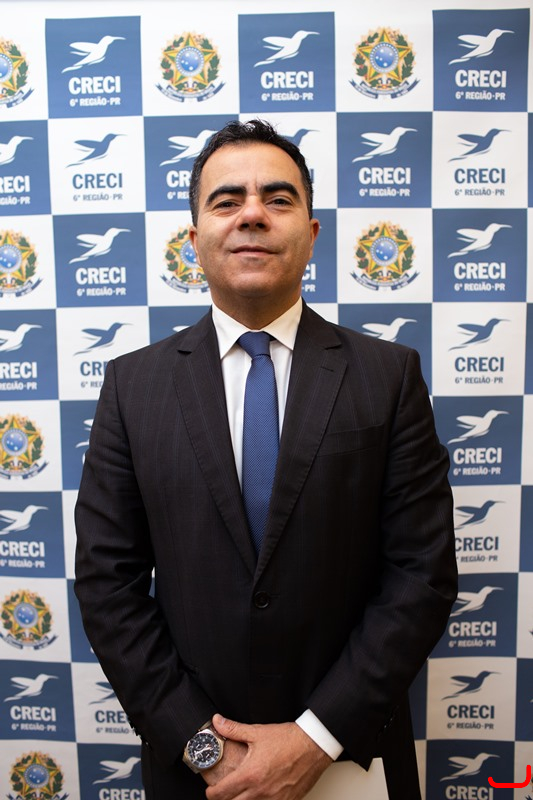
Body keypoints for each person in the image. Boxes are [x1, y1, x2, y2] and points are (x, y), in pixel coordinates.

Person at [75, 119, 457, 800]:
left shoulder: (387, 376)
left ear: (311, 233)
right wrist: (201, 744)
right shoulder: (133, 387)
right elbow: (108, 584)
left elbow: (420, 575)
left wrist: (315, 738)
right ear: (194, 240)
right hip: (197, 770)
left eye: (277, 199)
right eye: (226, 201)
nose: (251, 214)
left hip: (351, 761)